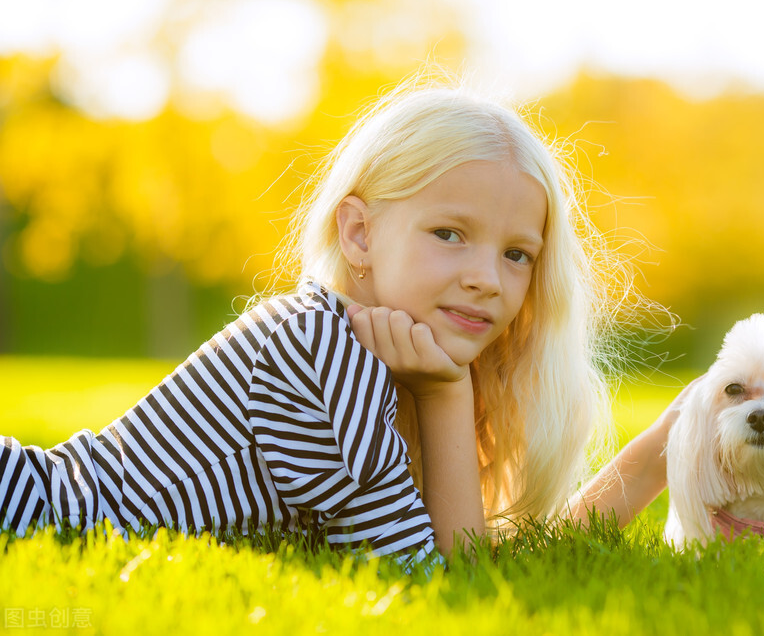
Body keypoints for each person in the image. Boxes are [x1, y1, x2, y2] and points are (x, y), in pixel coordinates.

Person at [0, 77, 679, 565]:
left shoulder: (384, 361)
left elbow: (495, 557)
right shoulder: (318, 351)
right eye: (448, 233)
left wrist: (653, 457)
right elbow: (444, 580)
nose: (485, 276)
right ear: (357, 234)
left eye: (516, 254)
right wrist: (446, 395)